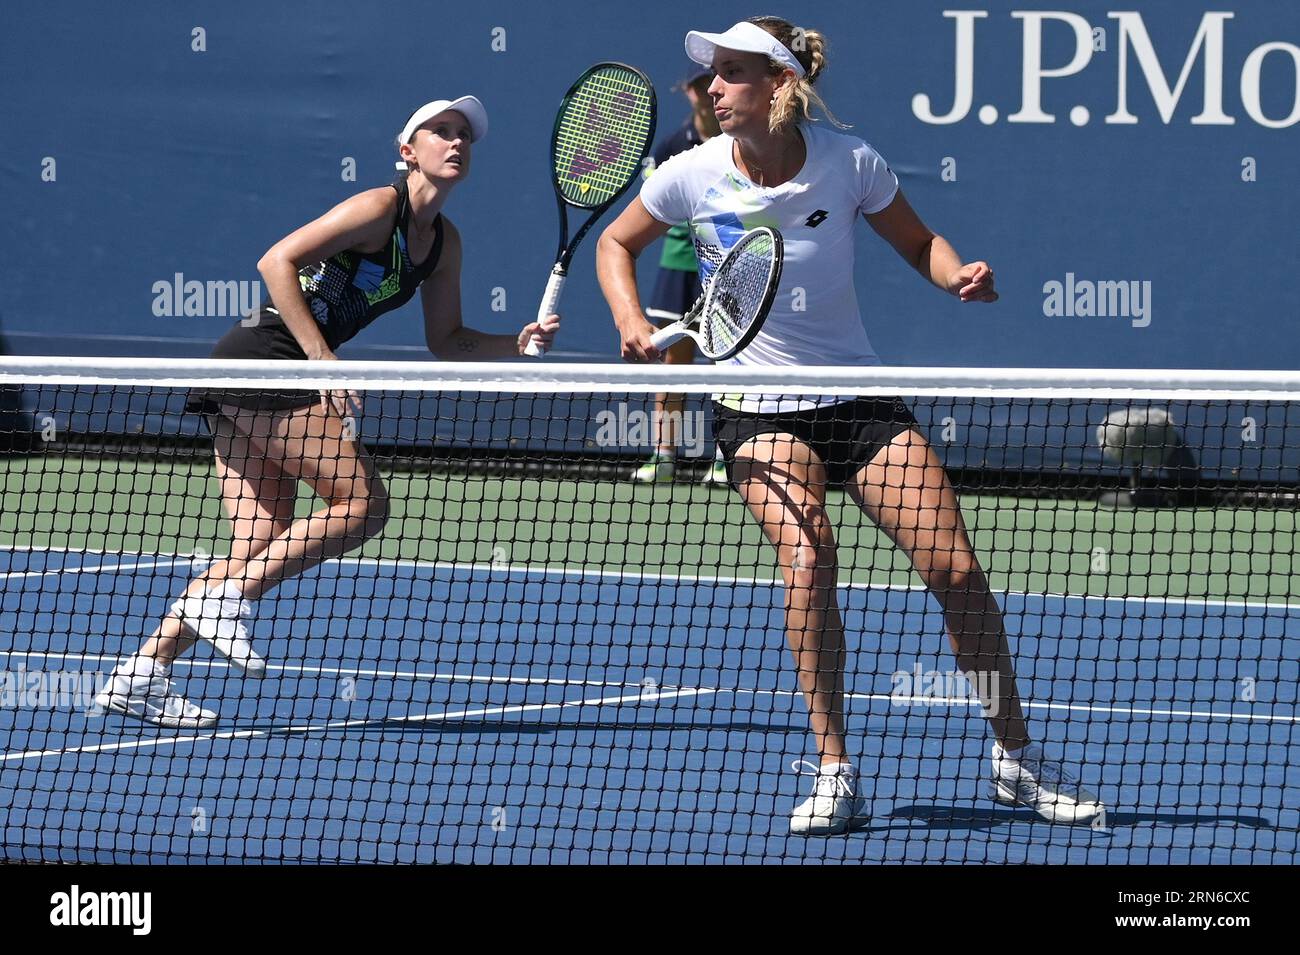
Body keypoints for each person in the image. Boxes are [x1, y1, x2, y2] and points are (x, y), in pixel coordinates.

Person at [596, 18, 1104, 834]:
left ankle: (1016, 758)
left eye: (732, 73)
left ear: (779, 85)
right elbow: (617, 246)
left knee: (956, 572)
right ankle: (836, 770)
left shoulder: (850, 162)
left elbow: (921, 243)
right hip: (754, 411)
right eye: (714, 75)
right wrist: (628, 317)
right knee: (809, 559)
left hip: (857, 402)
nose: (713, 88)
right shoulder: (689, 175)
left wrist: (956, 276)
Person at [96, 96, 559, 729]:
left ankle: (140, 674)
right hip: (267, 356)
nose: (456, 143)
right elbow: (275, 260)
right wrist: (321, 362)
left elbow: (447, 339)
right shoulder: (377, 208)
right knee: (363, 505)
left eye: (464, 137)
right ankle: (229, 599)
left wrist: (518, 341)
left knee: (260, 540)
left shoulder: (442, 244)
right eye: (440, 132)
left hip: (254, 371)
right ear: (408, 151)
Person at [631, 68, 727, 485]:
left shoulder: (738, 145)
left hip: (726, 267)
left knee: (728, 363)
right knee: (674, 361)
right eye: (699, 84)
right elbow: (653, 205)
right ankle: (664, 456)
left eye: (715, 82)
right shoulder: (673, 145)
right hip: (678, 264)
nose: (708, 92)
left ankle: (726, 458)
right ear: (688, 91)